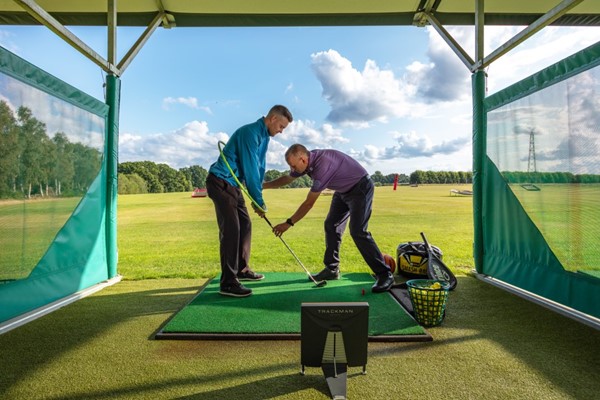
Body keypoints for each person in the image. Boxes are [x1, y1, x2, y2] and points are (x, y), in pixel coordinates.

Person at [263, 144, 394, 293]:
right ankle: (332, 269)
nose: (292, 170)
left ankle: (385, 275)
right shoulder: (305, 164)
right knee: (331, 224)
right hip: (342, 191)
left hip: (360, 188)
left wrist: (288, 223)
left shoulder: (322, 166)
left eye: (293, 166)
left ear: (302, 160)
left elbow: (308, 203)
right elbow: (287, 178)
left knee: (358, 231)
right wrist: (265, 185)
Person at [206, 105, 293, 297]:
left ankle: (242, 270)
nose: (281, 131)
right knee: (231, 229)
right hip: (220, 182)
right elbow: (250, 168)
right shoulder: (250, 133)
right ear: (272, 119)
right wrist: (258, 201)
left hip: (233, 185)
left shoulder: (264, 137)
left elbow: (260, 167)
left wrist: (257, 197)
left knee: (245, 225)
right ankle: (228, 283)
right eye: (281, 126)